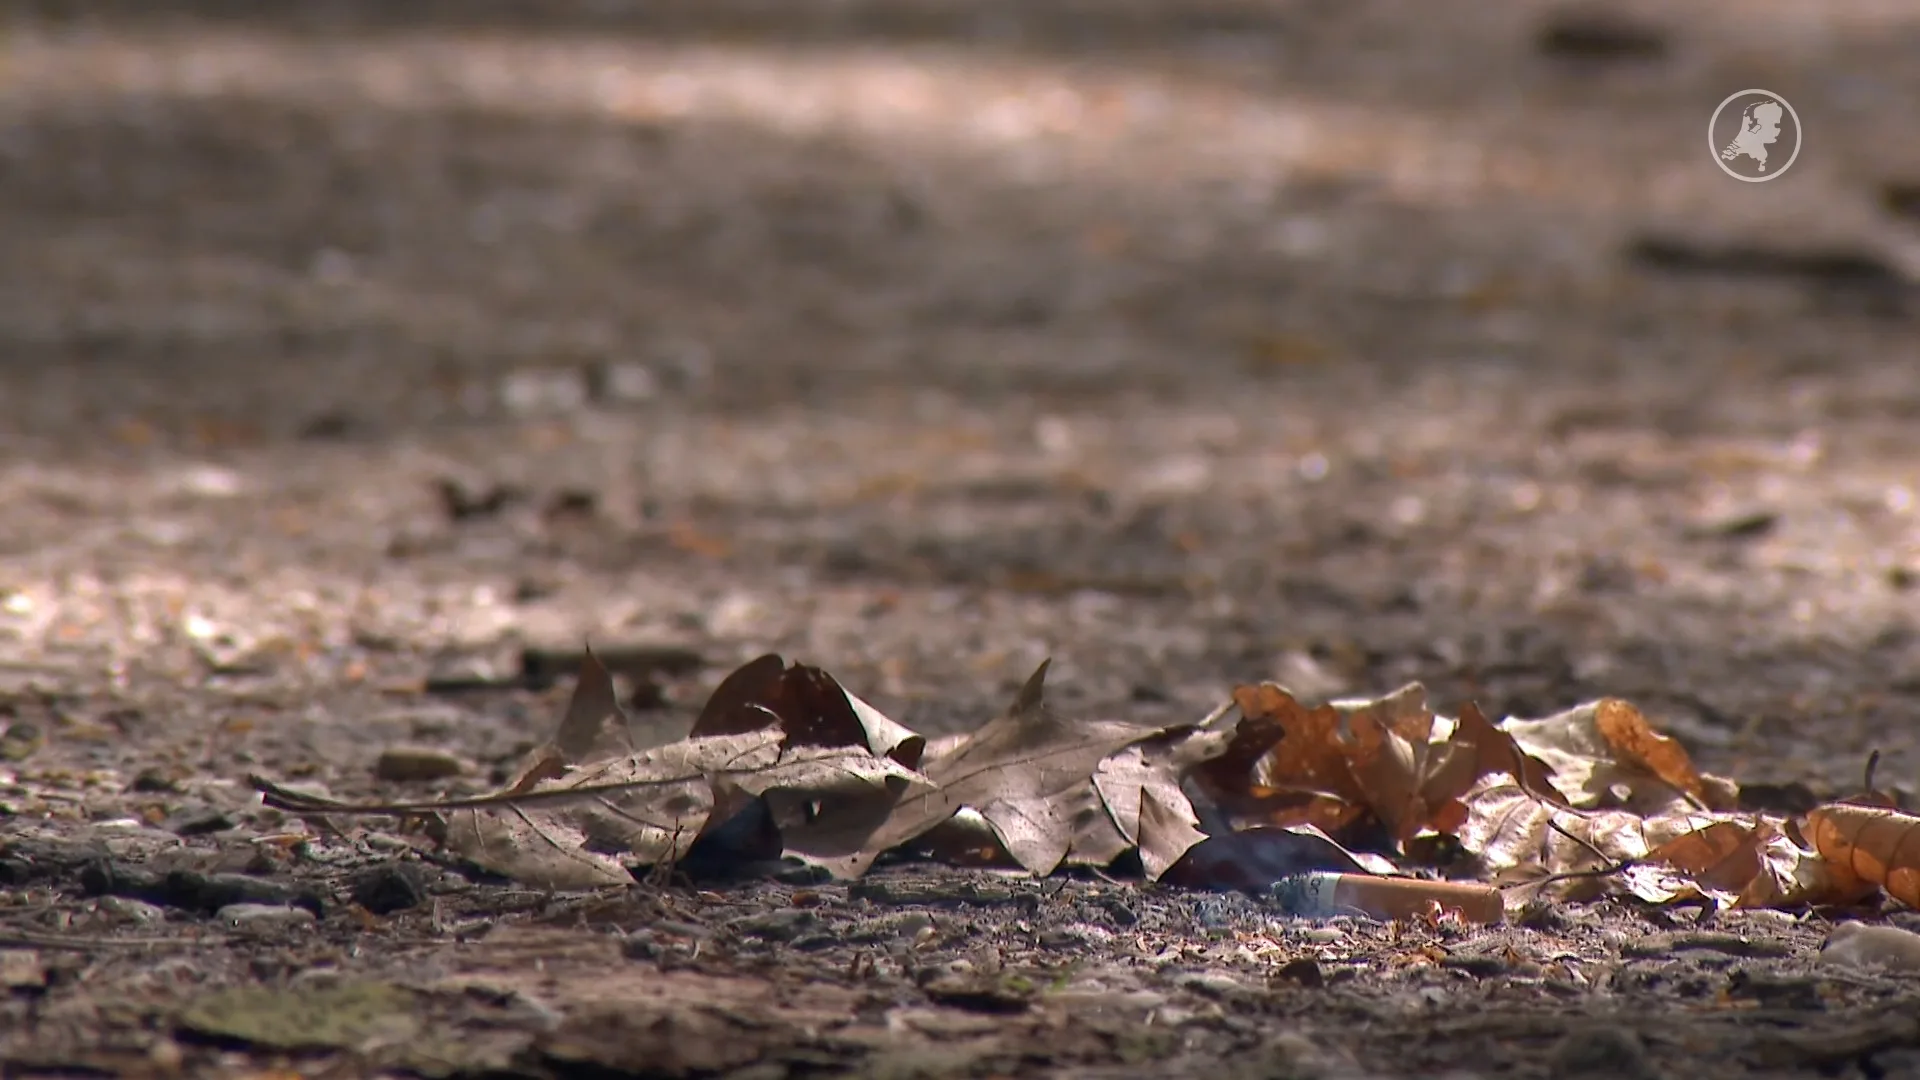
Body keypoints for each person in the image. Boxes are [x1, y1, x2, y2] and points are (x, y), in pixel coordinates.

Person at [1722, 99, 1785, 172]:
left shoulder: (1763, 155)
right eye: (1775, 124)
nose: (1779, 129)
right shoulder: (1738, 158)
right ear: (1756, 126)